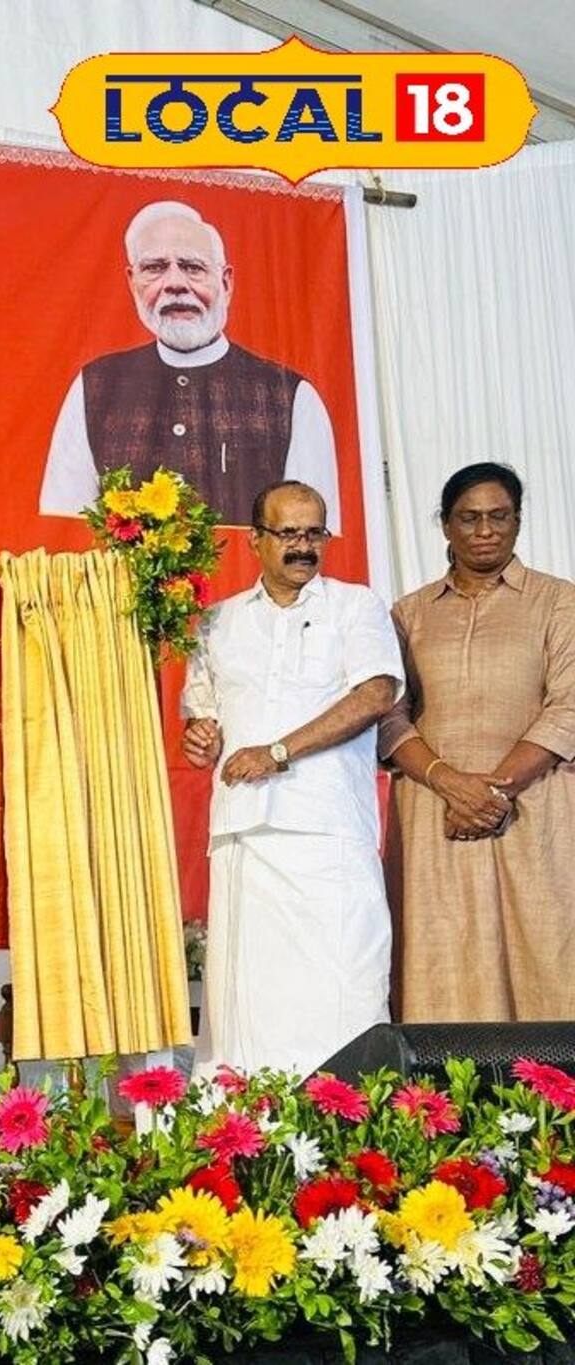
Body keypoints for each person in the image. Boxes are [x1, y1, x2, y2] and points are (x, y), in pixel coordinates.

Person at [179, 480, 401, 1077]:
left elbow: (377, 692)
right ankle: (244, 1133)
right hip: (244, 834)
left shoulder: (356, 606)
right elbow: (203, 723)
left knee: (344, 984)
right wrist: (200, 738)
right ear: (256, 541)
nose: (304, 546)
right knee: (247, 1000)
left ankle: (347, 1119)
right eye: (289, 533)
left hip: (329, 830)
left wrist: (280, 751)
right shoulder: (216, 623)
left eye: (315, 533)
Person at [379, 463, 575, 1022]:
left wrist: (491, 794)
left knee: (546, 952)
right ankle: (444, 1102)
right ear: (444, 525)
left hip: (536, 807)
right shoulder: (408, 614)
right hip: (434, 814)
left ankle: (552, 1098)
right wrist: (452, 784)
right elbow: (390, 718)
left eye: (499, 517)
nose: (486, 530)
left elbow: (569, 705)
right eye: (469, 518)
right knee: (440, 953)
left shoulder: (559, 602)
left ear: (518, 521)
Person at [39, 200, 340, 529]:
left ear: (225, 283)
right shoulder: (95, 387)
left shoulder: (289, 396)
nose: (175, 283)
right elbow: (65, 532)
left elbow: (313, 541)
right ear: (132, 281)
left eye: (193, 267)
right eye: (154, 267)